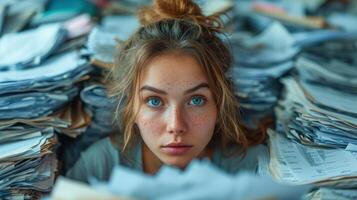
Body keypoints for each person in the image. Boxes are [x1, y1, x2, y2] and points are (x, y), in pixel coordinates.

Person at [66, 0, 267, 183]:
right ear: (131, 108)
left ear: (219, 104)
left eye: (196, 100)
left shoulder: (254, 168)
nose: (176, 126)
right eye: (154, 101)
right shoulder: (102, 165)